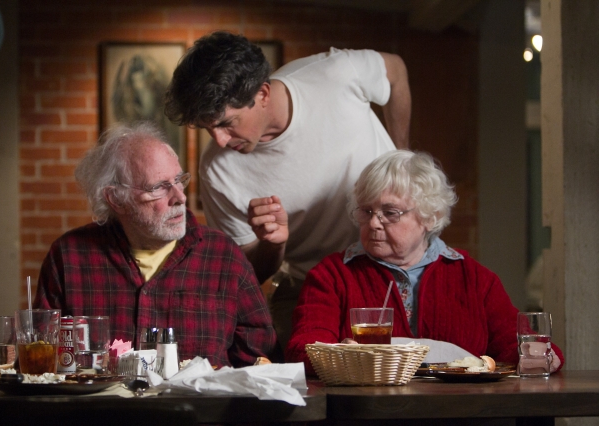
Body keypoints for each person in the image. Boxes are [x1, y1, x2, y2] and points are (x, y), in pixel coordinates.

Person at [164, 31, 412, 350]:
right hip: (314, 284)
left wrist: (403, 159)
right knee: (293, 365)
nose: (220, 140)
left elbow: (395, 71)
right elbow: (248, 274)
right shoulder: (218, 169)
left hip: (400, 267)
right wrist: (272, 244)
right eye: (207, 128)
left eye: (227, 123)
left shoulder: (336, 75)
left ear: (263, 94)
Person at [285, 150, 564, 375]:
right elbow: (302, 349)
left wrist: (541, 356)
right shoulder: (331, 275)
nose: (373, 223)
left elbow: (516, 346)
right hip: (370, 415)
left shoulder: (475, 279)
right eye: (366, 211)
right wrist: (336, 355)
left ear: (431, 216)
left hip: (461, 415)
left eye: (390, 212)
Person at [34, 121, 280, 368]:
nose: (180, 197)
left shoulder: (223, 256)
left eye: (179, 180)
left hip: (199, 395)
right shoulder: (68, 257)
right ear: (116, 199)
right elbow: (42, 360)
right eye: (159, 188)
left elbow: (262, 363)